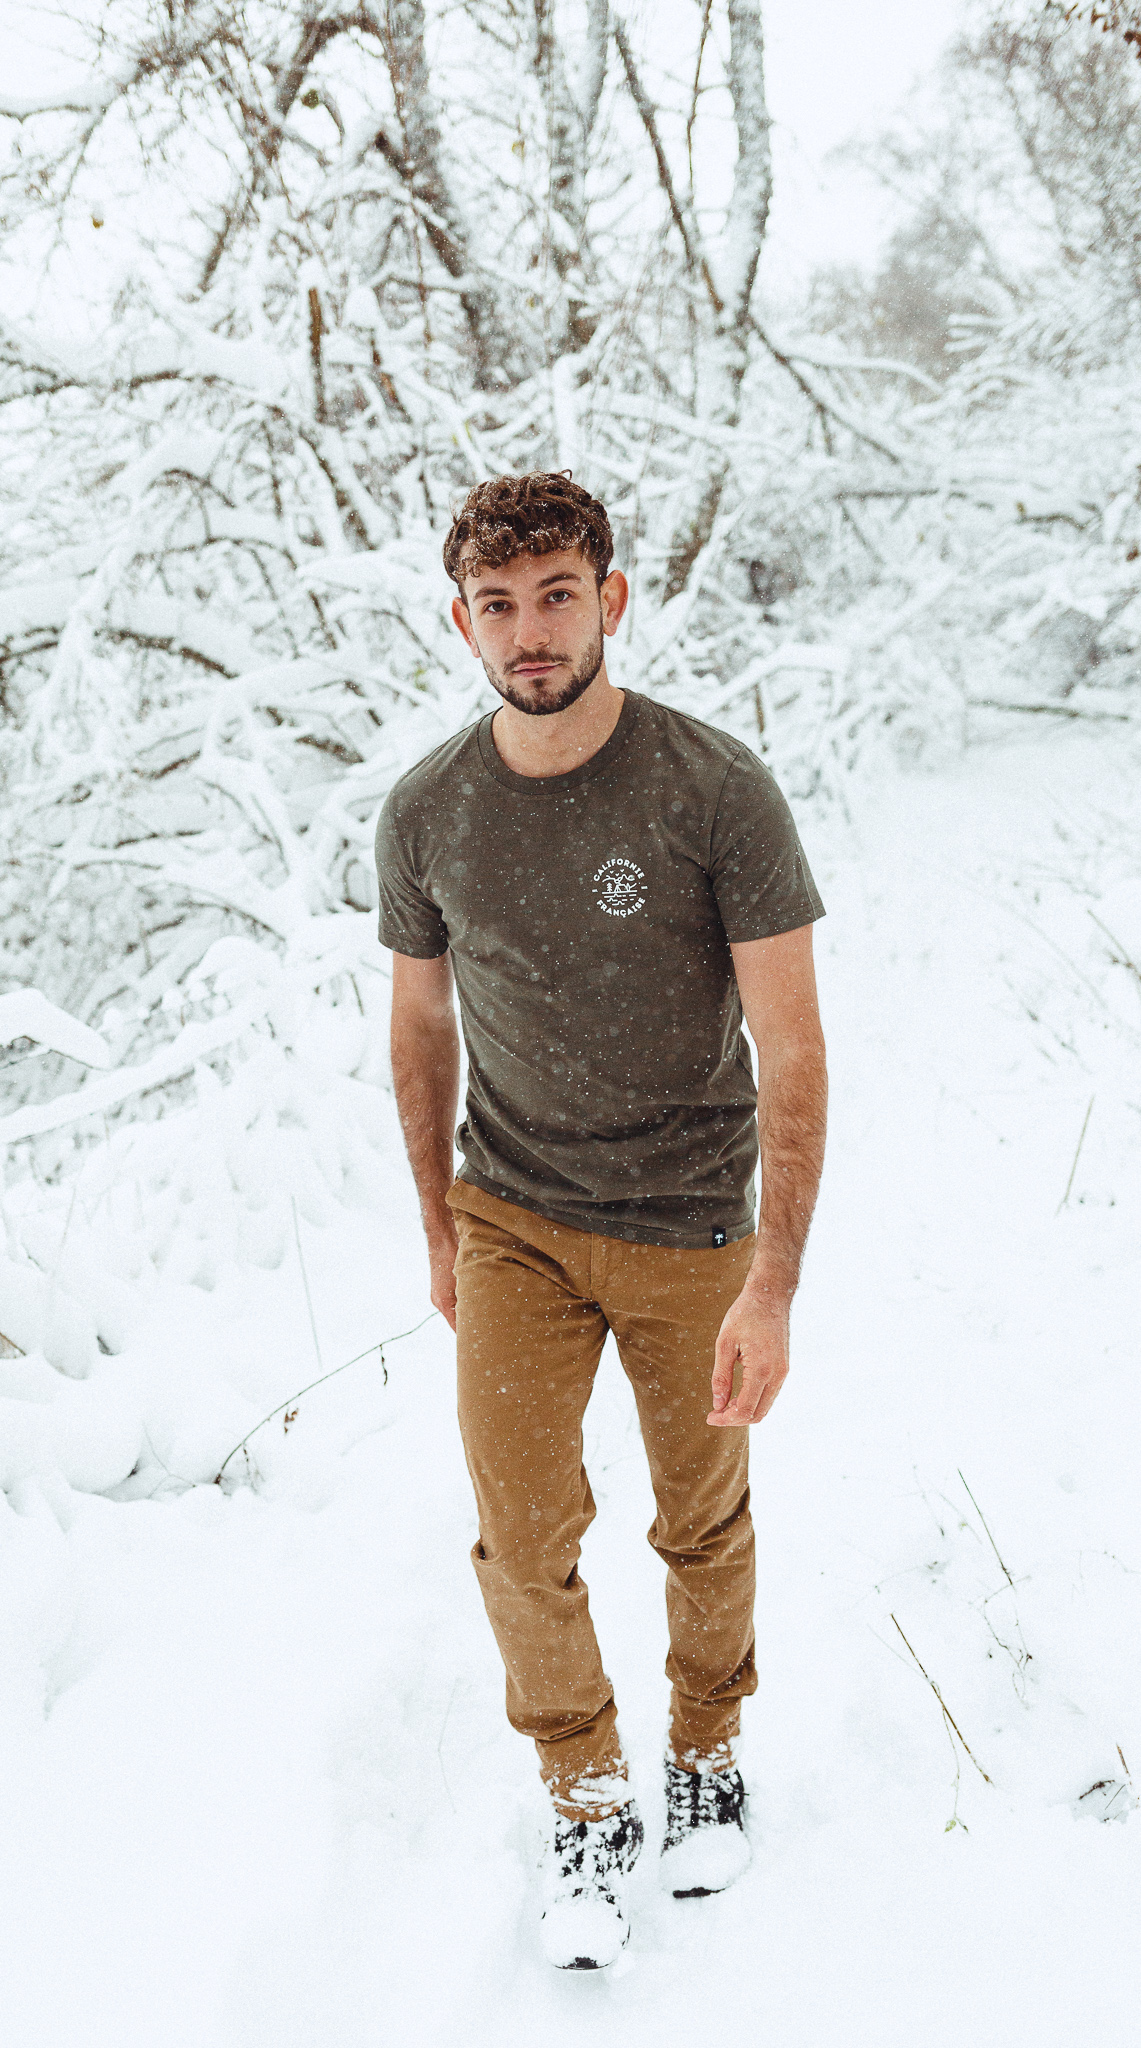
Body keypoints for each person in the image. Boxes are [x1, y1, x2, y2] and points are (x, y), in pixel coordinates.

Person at [375, 472, 827, 1970]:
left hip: (690, 1222)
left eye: (557, 595)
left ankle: (706, 1750)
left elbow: (794, 1046)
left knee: (699, 1517)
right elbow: (420, 1026)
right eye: (497, 604)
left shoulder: (713, 790)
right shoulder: (428, 811)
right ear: (462, 621)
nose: (529, 630)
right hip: (510, 1215)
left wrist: (772, 1281)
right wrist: (439, 1223)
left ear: (611, 600)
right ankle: (584, 1795)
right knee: (518, 1531)